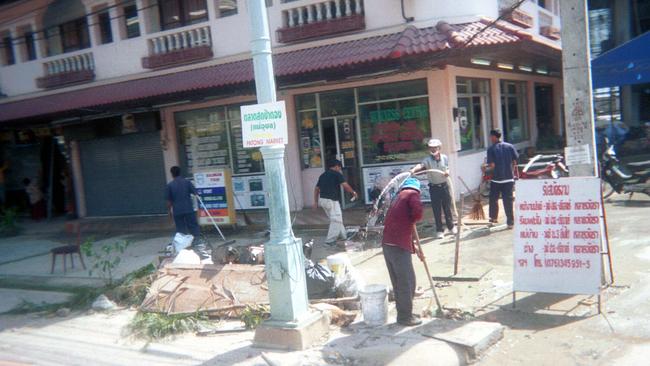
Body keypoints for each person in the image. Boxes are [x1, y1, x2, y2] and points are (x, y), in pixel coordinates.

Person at [382, 177, 424, 326]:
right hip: (398, 246)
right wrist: (413, 218)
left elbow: (401, 224)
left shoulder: (398, 197)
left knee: (399, 282)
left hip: (388, 245)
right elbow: (417, 213)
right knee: (407, 282)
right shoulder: (412, 194)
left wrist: (415, 247)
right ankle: (405, 317)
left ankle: (404, 313)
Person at [409, 138, 455, 239]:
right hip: (434, 188)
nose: (433, 150)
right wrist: (413, 170)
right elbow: (420, 165)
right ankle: (439, 230)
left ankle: (451, 227)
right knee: (436, 209)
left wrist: (448, 172)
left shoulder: (444, 157)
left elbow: (447, 167)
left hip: (444, 186)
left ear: (439, 148)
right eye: (431, 148)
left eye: (435, 148)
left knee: (447, 208)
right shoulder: (427, 160)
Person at [314, 159, 358, 245]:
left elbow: (316, 189)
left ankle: (344, 236)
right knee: (336, 220)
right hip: (331, 201)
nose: (340, 169)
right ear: (337, 166)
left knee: (336, 219)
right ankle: (329, 241)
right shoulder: (337, 174)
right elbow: (345, 185)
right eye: (340, 167)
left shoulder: (323, 175)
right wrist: (353, 192)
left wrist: (315, 201)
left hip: (323, 200)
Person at [486, 129, 519, 228]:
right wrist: (511, 172)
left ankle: (493, 219)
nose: (490, 138)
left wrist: (485, 170)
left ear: (493, 137)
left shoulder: (491, 149)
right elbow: (514, 162)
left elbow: (492, 165)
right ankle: (510, 222)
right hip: (509, 178)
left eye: (490, 136)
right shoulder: (510, 146)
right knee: (508, 200)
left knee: (493, 199)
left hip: (496, 179)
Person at [166, 166, 200, 238]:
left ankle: (183, 244)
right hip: (188, 208)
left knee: (180, 229)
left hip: (177, 210)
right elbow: (196, 193)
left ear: (171, 174)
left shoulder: (170, 185)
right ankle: (197, 240)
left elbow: (169, 201)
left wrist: (169, 212)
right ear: (180, 172)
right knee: (193, 226)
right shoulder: (187, 182)